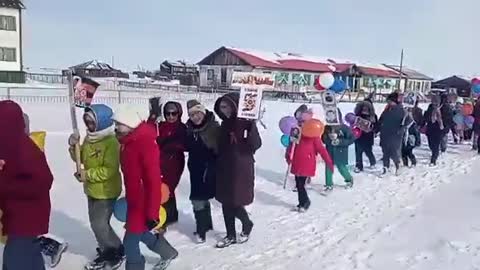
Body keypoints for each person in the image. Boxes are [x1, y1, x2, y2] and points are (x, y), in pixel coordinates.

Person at [112, 105, 178, 270]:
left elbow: (153, 181)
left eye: (119, 123)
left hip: (144, 202)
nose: (116, 127)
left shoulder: (145, 144)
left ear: (130, 124)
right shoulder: (127, 142)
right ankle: (168, 252)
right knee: (139, 232)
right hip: (134, 199)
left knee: (130, 241)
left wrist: (152, 212)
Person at [67, 104, 124, 270]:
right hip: (91, 190)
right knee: (96, 223)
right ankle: (108, 248)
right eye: (86, 122)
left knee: (100, 224)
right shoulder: (89, 138)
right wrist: (73, 146)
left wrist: (87, 175)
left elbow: (109, 170)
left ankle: (115, 250)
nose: (88, 126)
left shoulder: (111, 142)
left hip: (106, 191)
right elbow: (81, 159)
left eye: (92, 122)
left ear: (103, 122)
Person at [0, 100, 54, 270]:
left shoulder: (27, 151)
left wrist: (7, 188)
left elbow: (45, 180)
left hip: (28, 216)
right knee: (27, 257)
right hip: (14, 213)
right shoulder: (6, 144)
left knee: (15, 258)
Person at [213, 93, 262, 248]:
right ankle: (231, 235)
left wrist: (251, 126)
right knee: (226, 202)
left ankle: (246, 223)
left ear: (235, 106)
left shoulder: (245, 122)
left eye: (227, 106)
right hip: (225, 168)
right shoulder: (224, 124)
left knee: (235, 201)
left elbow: (255, 144)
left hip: (241, 168)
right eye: (222, 107)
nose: (224, 110)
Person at [22, 112, 68, 268]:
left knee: (19, 234)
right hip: (17, 200)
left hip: (25, 200)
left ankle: (49, 247)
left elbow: (42, 179)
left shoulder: (29, 148)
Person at [185, 100, 219, 243]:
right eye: (192, 115)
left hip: (209, 169)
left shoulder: (214, 127)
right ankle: (207, 225)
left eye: (197, 113)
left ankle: (201, 231)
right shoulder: (189, 129)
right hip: (195, 169)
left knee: (197, 199)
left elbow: (221, 148)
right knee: (201, 198)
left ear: (203, 112)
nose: (195, 117)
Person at [286, 106, 334, 209]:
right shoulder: (296, 132)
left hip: (307, 162)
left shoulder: (313, 136)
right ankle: (301, 203)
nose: (301, 124)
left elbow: (321, 149)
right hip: (297, 161)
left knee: (300, 184)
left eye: (303, 122)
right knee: (298, 184)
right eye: (300, 122)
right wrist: (288, 155)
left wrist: (328, 161)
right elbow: (291, 145)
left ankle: (305, 202)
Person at [155, 101, 186, 229]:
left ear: (179, 114)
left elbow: (185, 144)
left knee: (166, 188)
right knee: (162, 188)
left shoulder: (182, 128)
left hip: (174, 163)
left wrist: (171, 145)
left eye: (174, 113)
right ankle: (172, 215)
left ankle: (165, 218)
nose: (171, 116)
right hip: (159, 161)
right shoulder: (160, 126)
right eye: (168, 113)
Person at [378, 92, 407, 175]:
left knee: (394, 153)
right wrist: (377, 128)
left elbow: (406, 123)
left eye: (390, 101)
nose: (388, 103)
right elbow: (381, 120)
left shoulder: (402, 111)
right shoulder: (387, 110)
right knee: (385, 153)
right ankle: (385, 168)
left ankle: (398, 166)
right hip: (385, 135)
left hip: (395, 136)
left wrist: (400, 130)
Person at [322, 124, 354, 190]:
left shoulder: (344, 128)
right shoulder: (327, 127)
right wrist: (329, 140)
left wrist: (340, 142)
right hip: (330, 150)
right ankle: (329, 184)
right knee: (328, 167)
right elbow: (323, 138)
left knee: (341, 167)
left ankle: (349, 179)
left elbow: (351, 139)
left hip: (341, 151)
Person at [353, 99, 377, 173]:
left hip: (368, 136)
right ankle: (359, 166)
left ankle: (372, 162)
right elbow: (352, 123)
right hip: (359, 136)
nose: (365, 109)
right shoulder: (357, 115)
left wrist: (372, 128)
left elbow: (376, 126)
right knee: (358, 152)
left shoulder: (373, 116)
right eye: (363, 107)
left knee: (368, 151)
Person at [423, 95, 446, 166]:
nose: (435, 104)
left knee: (436, 145)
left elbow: (447, 118)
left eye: (436, 102)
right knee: (431, 145)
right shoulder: (430, 108)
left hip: (439, 129)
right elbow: (425, 117)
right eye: (433, 102)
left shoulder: (443, 108)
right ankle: (434, 153)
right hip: (430, 129)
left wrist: (444, 126)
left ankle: (433, 160)